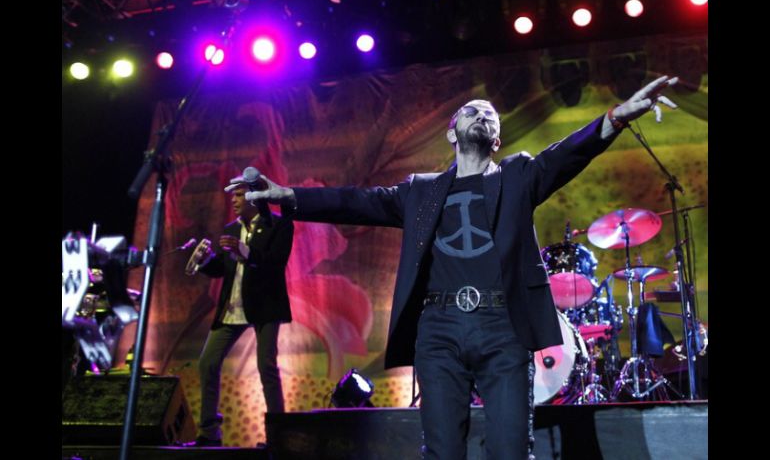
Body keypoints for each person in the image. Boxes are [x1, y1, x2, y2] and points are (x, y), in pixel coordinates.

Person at [243, 76, 678, 458]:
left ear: (497, 140)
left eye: (490, 115)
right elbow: (355, 201)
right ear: (452, 133)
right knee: (443, 450)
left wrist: (617, 117)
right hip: (440, 331)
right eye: (472, 111)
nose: (482, 115)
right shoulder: (420, 191)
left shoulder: (518, 176)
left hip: (503, 329)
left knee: (510, 449)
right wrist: (287, 196)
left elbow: (566, 154)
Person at [183, 178, 294, 447]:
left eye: (239, 195)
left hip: (265, 305)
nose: (233, 200)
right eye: (233, 196)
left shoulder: (279, 225)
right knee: (208, 362)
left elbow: (275, 264)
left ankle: (278, 437)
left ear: (255, 198)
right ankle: (209, 432)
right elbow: (223, 268)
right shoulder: (231, 229)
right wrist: (205, 261)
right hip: (232, 306)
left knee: (266, 366)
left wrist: (245, 250)